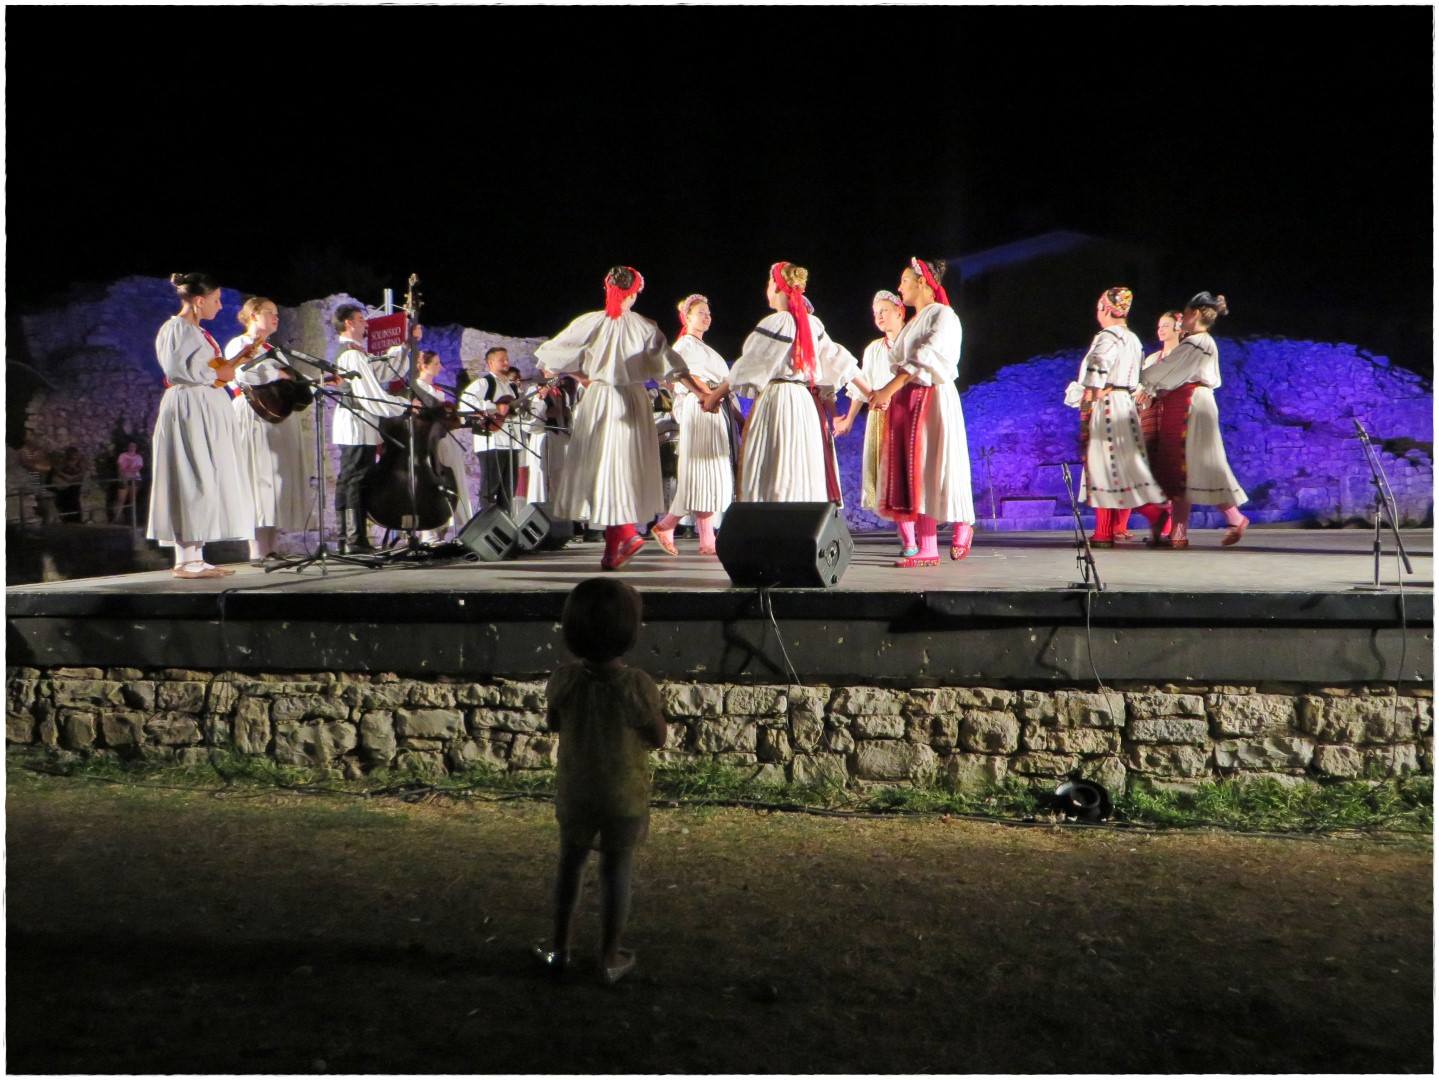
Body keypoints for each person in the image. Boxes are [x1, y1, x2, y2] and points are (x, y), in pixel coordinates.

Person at [537, 577, 667, 985]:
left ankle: (559, 947)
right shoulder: (637, 686)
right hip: (622, 796)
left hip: (577, 791)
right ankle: (610, 956)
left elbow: (554, 722)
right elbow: (658, 736)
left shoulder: (564, 680)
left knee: (570, 865)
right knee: (616, 870)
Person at [535, 266, 701, 570]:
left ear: (607, 288)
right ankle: (618, 542)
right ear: (635, 293)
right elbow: (673, 367)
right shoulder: (644, 327)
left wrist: (584, 375)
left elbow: (550, 358)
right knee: (622, 468)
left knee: (603, 467)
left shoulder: (590, 323)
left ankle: (619, 540)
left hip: (600, 399)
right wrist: (702, 393)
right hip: (630, 400)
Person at [701, 262, 873, 504]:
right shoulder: (812, 324)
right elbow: (839, 361)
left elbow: (746, 366)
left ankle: (773, 517)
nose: (767, 288)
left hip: (778, 400)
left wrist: (713, 396)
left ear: (777, 287)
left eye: (769, 282)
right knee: (800, 464)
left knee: (775, 464)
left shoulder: (776, 322)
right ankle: (800, 517)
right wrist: (871, 393)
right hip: (804, 404)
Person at [866, 257, 976, 567]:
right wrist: (887, 392)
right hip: (910, 400)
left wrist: (890, 389)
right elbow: (901, 361)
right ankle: (927, 546)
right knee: (920, 471)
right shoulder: (914, 322)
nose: (900, 287)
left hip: (933, 396)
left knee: (937, 464)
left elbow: (926, 356)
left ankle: (962, 523)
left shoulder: (943, 315)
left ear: (922, 282)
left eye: (904, 281)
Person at [147, 272, 257, 577]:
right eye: (215, 300)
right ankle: (185, 559)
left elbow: (205, 368)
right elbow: (178, 370)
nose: (220, 306)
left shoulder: (196, 331)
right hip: (190, 407)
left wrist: (231, 365)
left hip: (205, 404)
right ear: (198, 301)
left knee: (206, 475)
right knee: (192, 473)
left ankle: (195, 555)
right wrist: (219, 374)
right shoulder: (176, 328)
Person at [1137, 291, 1249, 548]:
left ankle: (1229, 518)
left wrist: (1139, 378)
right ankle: (1183, 530)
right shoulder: (1196, 342)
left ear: (1196, 314)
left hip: (1194, 404)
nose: (1183, 319)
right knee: (1186, 466)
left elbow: (1167, 370)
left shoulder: (1198, 342)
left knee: (1194, 463)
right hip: (1187, 402)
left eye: (1186, 314)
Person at [1068, 287, 1166, 548]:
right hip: (1126, 404)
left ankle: (1113, 529)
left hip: (1108, 403)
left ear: (1105, 308)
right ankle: (1127, 523)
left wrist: (1090, 397)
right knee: (1121, 468)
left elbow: (1097, 368)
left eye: (1099, 306)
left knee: (1103, 466)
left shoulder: (1107, 337)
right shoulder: (1133, 339)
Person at [226, 297, 310, 565]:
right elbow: (240, 374)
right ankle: (257, 550)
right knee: (259, 476)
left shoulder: (274, 350)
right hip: (254, 413)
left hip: (278, 416)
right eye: (270, 312)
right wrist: (277, 376)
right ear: (253, 314)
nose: (276, 317)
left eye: (277, 313)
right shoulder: (239, 344)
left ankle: (272, 548)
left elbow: (291, 378)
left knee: (278, 479)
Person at [650, 294, 734, 557]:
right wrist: (707, 396)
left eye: (708, 313)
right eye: (700, 313)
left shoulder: (703, 347)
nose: (707, 317)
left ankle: (706, 539)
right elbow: (687, 375)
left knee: (709, 472)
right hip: (700, 405)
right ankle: (667, 525)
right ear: (686, 317)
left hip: (712, 405)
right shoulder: (685, 345)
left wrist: (737, 416)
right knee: (698, 469)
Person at [330, 303, 407, 553]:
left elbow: (382, 371)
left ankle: (351, 538)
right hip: (355, 421)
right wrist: (403, 405)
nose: (366, 324)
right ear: (349, 322)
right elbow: (369, 394)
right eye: (361, 319)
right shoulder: (351, 354)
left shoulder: (357, 353)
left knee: (354, 477)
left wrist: (403, 348)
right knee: (354, 478)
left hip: (360, 421)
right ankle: (354, 539)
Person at [835, 290, 906, 535]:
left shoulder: (911, 342)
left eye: (884, 311)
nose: (879, 316)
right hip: (880, 416)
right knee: (888, 476)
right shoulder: (874, 349)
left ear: (899, 311)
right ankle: (906, 534)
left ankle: (920, 530)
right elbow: (861, 387)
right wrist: (849, 419)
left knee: (909, 471)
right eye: (876, 313)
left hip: (907, 412)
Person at [413, 348, 474, 536]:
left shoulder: (436, 389)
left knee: (452, 479)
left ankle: (449, 525)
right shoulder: (416, 387)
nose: (440, 367)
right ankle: (429, 531)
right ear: (424, 366)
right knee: (432, 481)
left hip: (445, 438)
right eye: (436, 363)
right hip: (428, 441)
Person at [458, 347, 523, 515]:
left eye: (507, 359)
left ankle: (505, 524)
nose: (506, 363)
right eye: (502, 360)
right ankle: (486, 523)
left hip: (512, 443)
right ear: (490, 363)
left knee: (508, 491)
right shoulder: (484, 383)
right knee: (489, 489)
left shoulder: (512, 387)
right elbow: (465, 402)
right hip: (491, 443)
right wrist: (494, 407)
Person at [115, 442, 144, 524]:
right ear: (128, 447)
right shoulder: (122, 456)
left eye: (134, 446)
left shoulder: (139, 457)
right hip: (124, 478)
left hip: (135, 479)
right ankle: (117, 518)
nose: (132, 448)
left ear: (136, 448)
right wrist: (123, 475)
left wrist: (129, 472)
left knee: (132, 500)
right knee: (121, 499)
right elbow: (120, 467)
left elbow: (138, 468)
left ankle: (132, 519)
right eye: (130, 446)